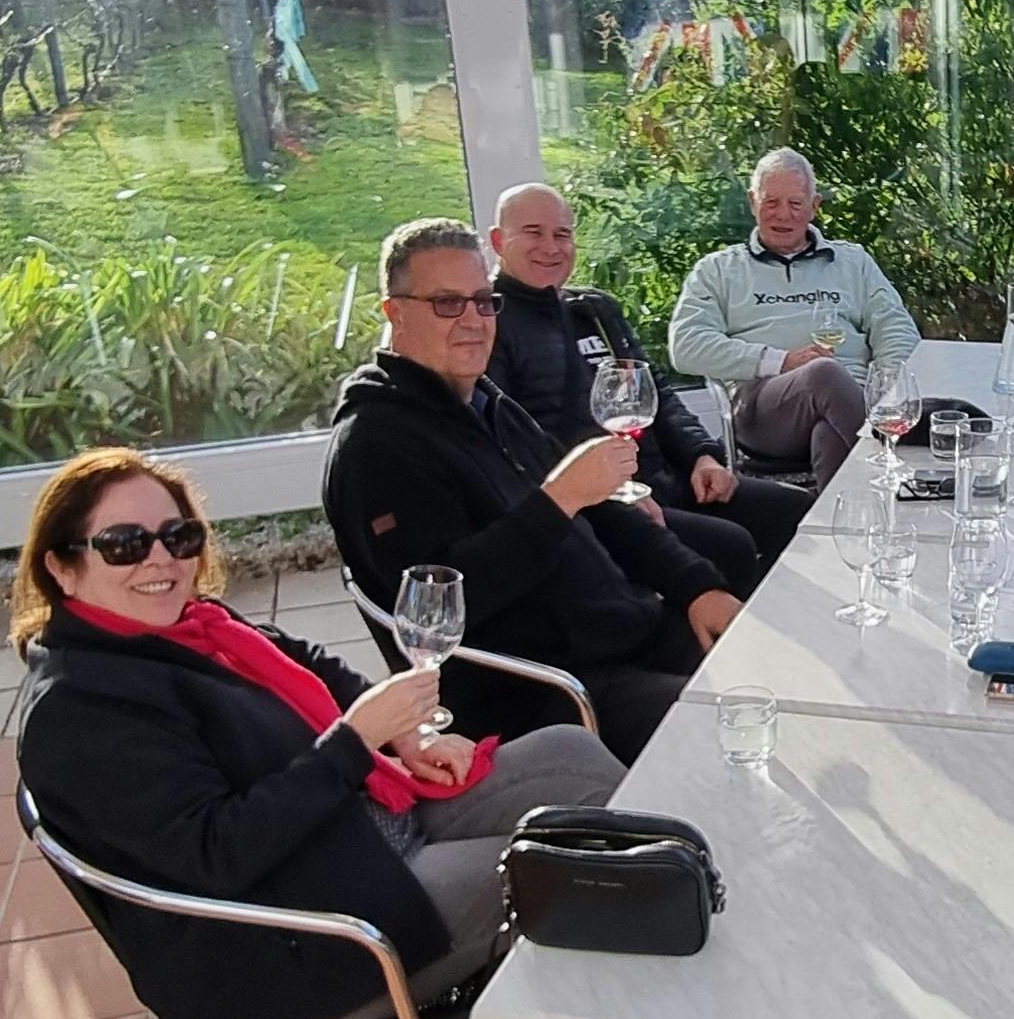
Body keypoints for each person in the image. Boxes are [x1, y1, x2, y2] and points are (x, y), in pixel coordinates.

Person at [13, 447, 679, 1019]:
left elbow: (313, 664)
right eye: (124, 544)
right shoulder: (81, 713)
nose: (161, 560)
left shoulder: (190, 628)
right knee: (567, 871)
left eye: (179, 535)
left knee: (569, 756)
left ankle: (611, 999)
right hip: (303, 941)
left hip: (347, 833)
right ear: (61, 565)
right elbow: (217, 854)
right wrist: (353, 745)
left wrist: (405, 738)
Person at [323, 218, 744, 766]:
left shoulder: (484, 402)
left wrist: (695, 587)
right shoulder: (376, 447)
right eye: (448, 303)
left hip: (621, 634)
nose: (473, 321)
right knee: (735, 731)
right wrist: (559, 501)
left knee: (775, 679)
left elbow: (606, 510)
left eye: (482, 301)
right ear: (395, 312)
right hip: (540, 687)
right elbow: (442, 611)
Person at [486, 182, 811, 591]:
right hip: (597, 506)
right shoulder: (487, 324)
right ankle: (722, 643)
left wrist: (702, 457)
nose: (551, 247)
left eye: (562, 234)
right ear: (498, 241)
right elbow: (518, 441)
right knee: (732, 545)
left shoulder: (594, 309)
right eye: (533, 233)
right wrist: (613, 494)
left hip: (668, 478)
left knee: (800, 513)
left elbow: (656, 392)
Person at [668, 147, 921, 487]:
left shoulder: (852, 262)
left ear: (814, 207)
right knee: (823, 373)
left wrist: (888, 388)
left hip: (853, 402)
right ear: (753, 202)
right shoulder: (718, 270)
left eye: (795, 204)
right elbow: (686, 346)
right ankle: (902, 468)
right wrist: (780, 361)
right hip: (764, 411)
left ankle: (839, 536)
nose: (782, 215)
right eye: (771, 202)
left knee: (828, 434)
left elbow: (896, 329)